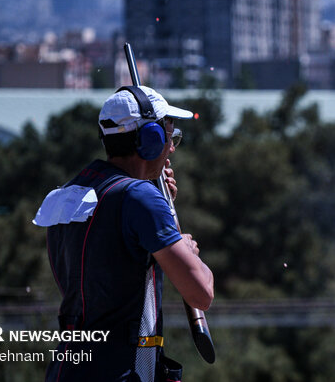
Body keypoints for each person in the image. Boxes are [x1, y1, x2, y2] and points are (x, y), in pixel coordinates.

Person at [33, 85, 214, 382]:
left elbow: (110, 248)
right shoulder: (140, 198)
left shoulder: (71, 192)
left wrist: (158, 208)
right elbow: (201, 294)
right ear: (151, 140)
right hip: (122, 371)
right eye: (170, 137)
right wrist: (186, 248)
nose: (171, 148)